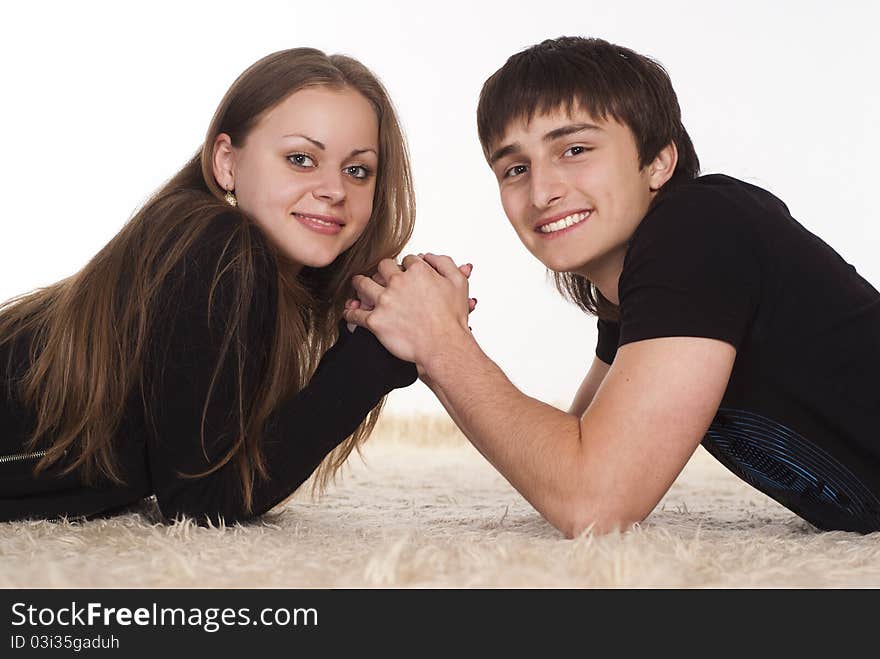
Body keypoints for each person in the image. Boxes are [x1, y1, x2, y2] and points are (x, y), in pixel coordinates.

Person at [344, 36, 880, 536]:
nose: (542, 191)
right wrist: (427, 337)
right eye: (513, 168)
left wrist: (441, 342)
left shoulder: (702, 226)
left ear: (658, 162)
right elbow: (563, 459)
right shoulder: (636, 291)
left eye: (574, 149)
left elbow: (595, 499)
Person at [0, 47, 423, 525]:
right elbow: (202, 500)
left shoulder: (250, 272)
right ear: (226, 163)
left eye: (357, 170)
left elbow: (219, 468)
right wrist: (381, 352)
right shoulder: (218, 247)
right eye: (301, 158)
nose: (335, 189)